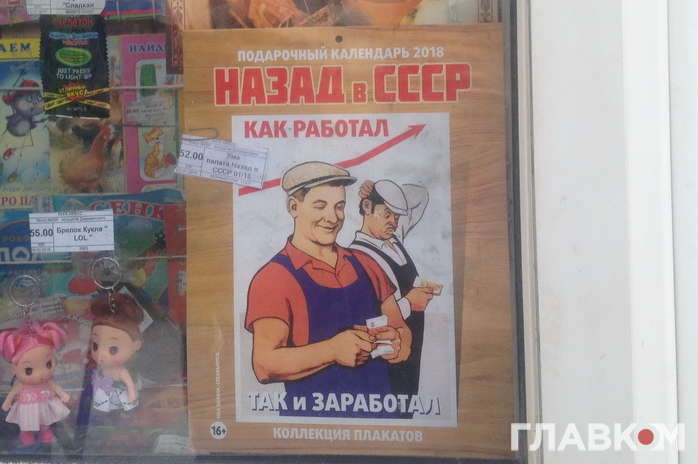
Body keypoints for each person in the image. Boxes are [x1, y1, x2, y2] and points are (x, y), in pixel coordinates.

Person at [244, 161, 412, 418]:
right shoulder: (273, 278)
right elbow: (264, 365)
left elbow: (401, 329)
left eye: (339, 206)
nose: (333, 218)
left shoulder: (366, 263)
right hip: (311, 425)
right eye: (320, 206)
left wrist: (400, 342)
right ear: (293, 207)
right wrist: (332, 350)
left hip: (380, 421)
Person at [349, 179, 432, 405]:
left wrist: (380, 187)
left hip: (412, 349)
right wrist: (409, 304)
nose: (394, 222)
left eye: (396, 216)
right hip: (387, 356)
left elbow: (421, 194)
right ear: (367, 207)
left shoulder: (394, 238)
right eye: (387, 215)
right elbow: (366, 319)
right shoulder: (355, 256)